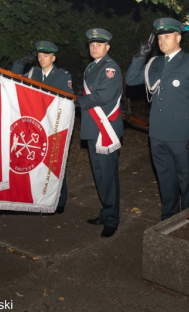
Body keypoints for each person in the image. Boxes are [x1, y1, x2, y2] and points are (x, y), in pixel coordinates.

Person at [126, 17, 189, 220]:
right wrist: (140, 56)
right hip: (157, 134)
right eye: (160, 37)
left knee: (186, 181)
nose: (162, 40)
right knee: (165, 180)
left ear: (178, 37)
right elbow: (130, 80)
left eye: (167, 36)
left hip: (182, 135)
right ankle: (169, 219)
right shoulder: (154, 63)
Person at [11, 40, 73, 214]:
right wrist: (21, 62)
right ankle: (40, 198)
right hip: (35, 128)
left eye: (45, 56)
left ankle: (60, 200)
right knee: (37, 164)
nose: (41, 59)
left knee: (55, 164)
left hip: (54, 126)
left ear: (53, 58)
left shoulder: (63, 76)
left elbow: (67, 102)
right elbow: (14, 78)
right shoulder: (33, 73)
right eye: (39, 56)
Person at [78, 29, 123, 238]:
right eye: (91, 45)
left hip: (105, 130)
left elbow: (102, 96)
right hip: (92, 128)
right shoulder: (91, 67)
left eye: (98, 45)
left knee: (108, 176)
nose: (94, 48)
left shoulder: (110, 68)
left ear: (107, 47)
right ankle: (105, 213)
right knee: (99, 175)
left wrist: (76, 101)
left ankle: (112, 220)